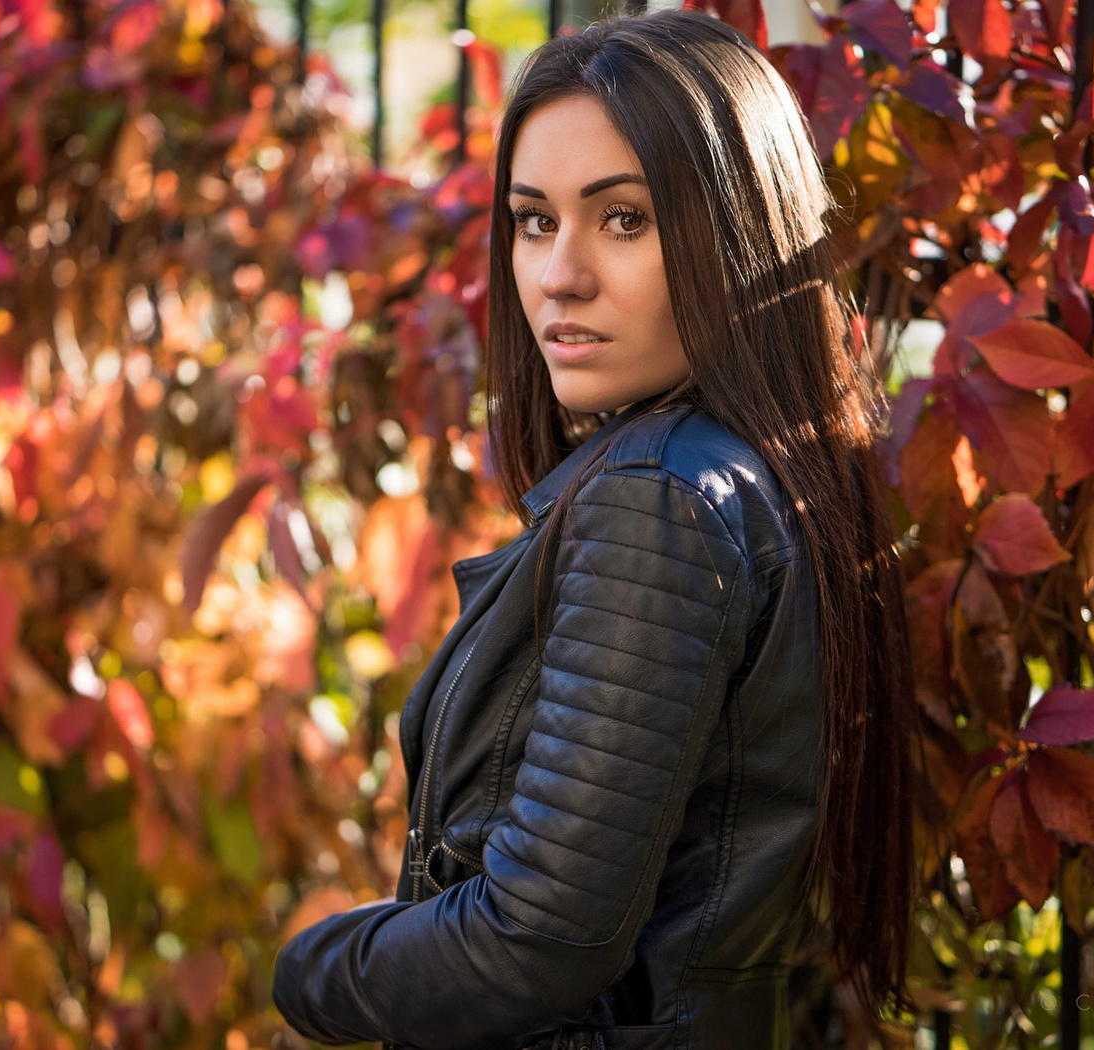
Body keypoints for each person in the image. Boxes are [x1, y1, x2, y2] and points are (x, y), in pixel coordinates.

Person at [271, 9, 923, 1049]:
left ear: (737, 238)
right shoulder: (752, 474)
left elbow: (538, 939)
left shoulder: (663, 500)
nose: (559, 273)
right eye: (535, 221)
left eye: (625, 220)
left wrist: (310, 976)